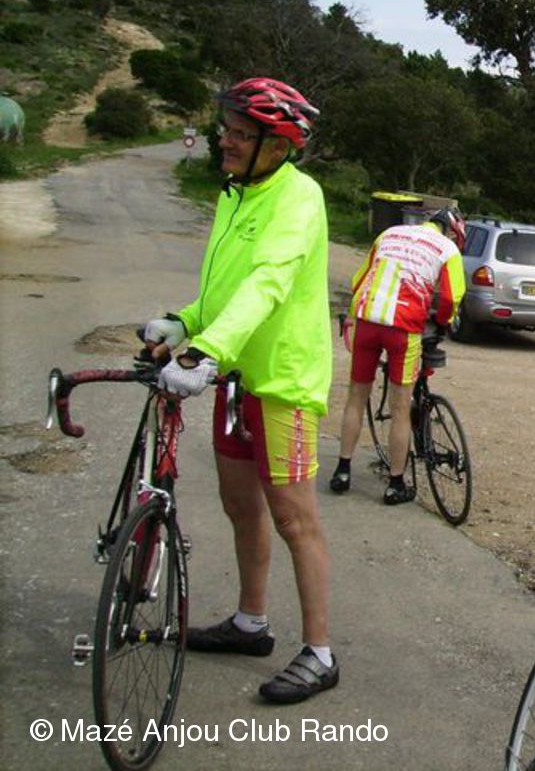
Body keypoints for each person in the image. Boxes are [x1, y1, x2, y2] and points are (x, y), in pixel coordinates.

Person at [143, 77, 338, 705]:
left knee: (293, 518)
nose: (224, 141)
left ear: (277, 146)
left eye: (240, 134)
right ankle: (251, 623)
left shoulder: (298, 197)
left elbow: (268, 284)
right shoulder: (237, 193)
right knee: (240, 505)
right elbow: (227, 288)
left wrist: (206, 352)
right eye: (225, 128)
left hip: (282, 381)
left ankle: (320, 652)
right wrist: (185, 322)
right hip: (234, 376)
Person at [330, 205, 466, 504]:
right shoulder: (447, 249)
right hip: (403, 328)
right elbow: (451, 296)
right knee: (401, 407)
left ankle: (342, 471)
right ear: (452, 232)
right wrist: (443, 321)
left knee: (356, 397)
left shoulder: (389, 233)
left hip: (368, 320)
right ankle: (395, 484)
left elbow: (359, 279)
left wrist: (352, 315)